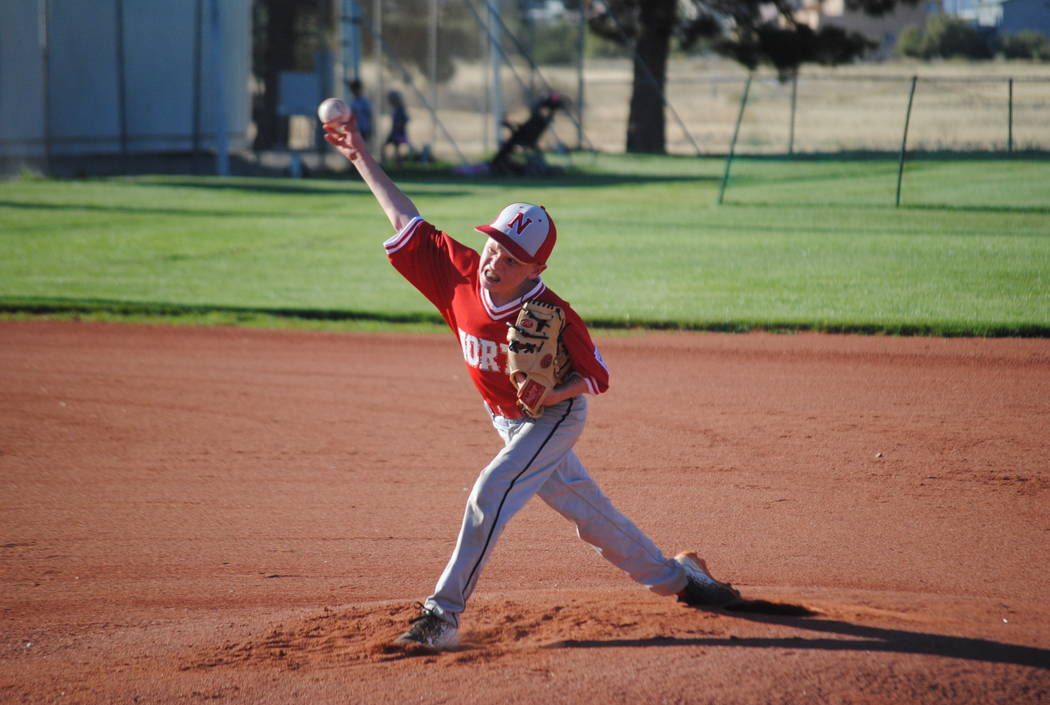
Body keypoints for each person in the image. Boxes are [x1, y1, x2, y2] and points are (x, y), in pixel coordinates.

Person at [322, 114, 741, 650]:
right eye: (494, 245)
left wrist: (553, 392)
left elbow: (597, 378)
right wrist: (359, 154)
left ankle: (441, 615)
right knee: (593, 519)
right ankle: (685, 580)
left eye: (511, 257)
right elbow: (404, 215)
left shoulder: (553, 312)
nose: (495, 260)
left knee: (489, 492)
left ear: (535, 267)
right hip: (506, 421)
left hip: (553, 418)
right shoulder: (457, 273)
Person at [382, 90, 413, 165]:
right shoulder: (395, 109)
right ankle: (395, 164)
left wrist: (400, 126)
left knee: (395, 149)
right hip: (394, 132)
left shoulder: (400, 109)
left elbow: (406, 119)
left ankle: (398, 165)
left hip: (398, 133)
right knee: (393, 149)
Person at [347, 79, 373, 144]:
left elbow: (369, 116)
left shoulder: (364, 102)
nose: (354, 92)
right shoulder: (352, 102)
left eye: (355, 90)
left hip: (363, 129)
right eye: (352, 90)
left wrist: (370, 129)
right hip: (353, 129)